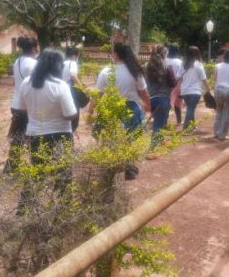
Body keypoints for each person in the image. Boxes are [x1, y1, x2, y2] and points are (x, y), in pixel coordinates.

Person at [17, 48, 77, 188]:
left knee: (37, 174)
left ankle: (25, 207)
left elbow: (21, 109)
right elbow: (70, 115)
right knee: (63, 176)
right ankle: (63, 207)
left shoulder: (26, 82)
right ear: (57, 66)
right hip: (60, 135)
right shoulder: (60, 85)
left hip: (35, 135)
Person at [96, 42, 151, 179]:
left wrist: (91, 111)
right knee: (129, 139)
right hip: (130, 109)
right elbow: (144, 93)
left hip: (111, 108)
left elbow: (98, 95)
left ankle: (110, 168)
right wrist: (148, 107)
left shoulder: (106, 71)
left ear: (115, 54)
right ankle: (129, 169)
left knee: (110, 139)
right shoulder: (134, 72)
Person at [4, 36, 38, 173]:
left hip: (17, 103)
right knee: (34, 137)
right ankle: (35, 167)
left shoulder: (17, 61)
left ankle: (11, 167)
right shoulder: (34, 64)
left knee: (18, 138)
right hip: (28, 106)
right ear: (34, 48)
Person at [145, 45, 175, 148]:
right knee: (158, 125)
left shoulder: (146, 66)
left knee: (157, 123)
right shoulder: (167, 67)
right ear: (165, 55)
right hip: (162, 99)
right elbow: (173, 84)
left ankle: (159, 142)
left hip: (150, 99)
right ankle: (153, 148)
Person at [178, 46, 210, 131]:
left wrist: (179, 90)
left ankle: (192, 126)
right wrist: (208, 90)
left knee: (190, 108)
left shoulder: (183, 64)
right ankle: (185, 128)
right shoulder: (198, 64)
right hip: (195, 91)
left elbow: (179, 78)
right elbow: (204, 79)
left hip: (184, 91)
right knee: (190, 109)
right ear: (197, 54)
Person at [62, 46, 83, 133]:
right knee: (74, 113)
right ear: (74, 56)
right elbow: (73, 75)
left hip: (61, 91)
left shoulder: (61, 63)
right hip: (70, 91)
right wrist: (82, 87)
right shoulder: (72, 63)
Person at [166, 45, 183, 125]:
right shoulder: (179, 62)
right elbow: (182, 74)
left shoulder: (165, 60)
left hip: (166, 84)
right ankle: (179, 121)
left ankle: (164, 121)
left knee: (167, 102)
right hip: (177, 84)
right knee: (177, 103)